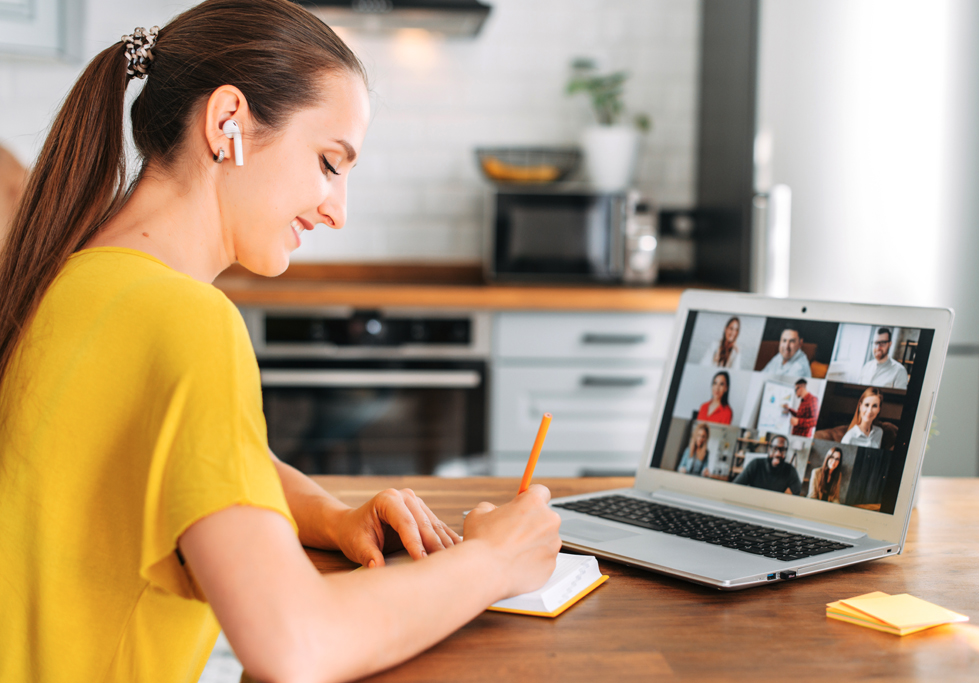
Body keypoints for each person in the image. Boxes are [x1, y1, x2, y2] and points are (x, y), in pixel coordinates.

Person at [0, 3, 562, 682]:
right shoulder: (189, 319)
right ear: (227, 122)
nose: (337, 209)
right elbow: (295, 646)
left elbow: (197, 455)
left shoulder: (64, 279)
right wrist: (494, 561)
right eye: (329, 162)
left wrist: (328, 515)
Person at [733, 435, 802, 494]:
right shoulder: (756, 464)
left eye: (782, 450)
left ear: (786, 452)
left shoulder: (790, 470)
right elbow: (735, 487)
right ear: (769, 449)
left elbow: (798, 494)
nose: (778, 454)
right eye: (775, 448)